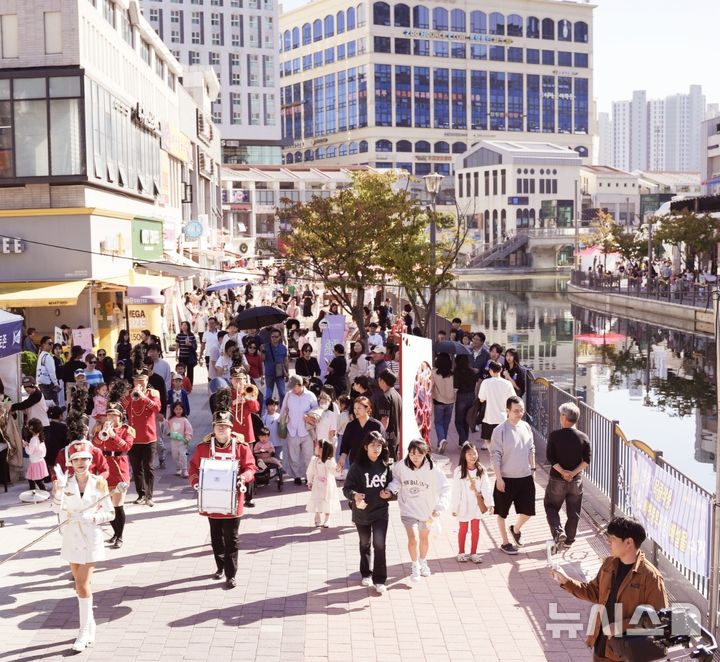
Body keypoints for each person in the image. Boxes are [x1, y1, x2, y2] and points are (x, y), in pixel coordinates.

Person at [551, 517, 669, 662]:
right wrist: (566, 581)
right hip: (602, 645)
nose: (608, 542)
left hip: (629, 652)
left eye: (612, 538)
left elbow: (660, 618)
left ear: (629, 542)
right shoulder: (609, 563)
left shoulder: (651, 577)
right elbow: (594, 592)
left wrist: (621, 626)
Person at [51, 439, 115, 652]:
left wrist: (93, 517)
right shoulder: (65, 482)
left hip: (91, 538)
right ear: (70, 462)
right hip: (71, 538)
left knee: (81, 585)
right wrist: (58, 491)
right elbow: (55, 510)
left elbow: (110, 512)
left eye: (85, 459)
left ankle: (82, 632)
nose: (81, 463)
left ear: (91, 460)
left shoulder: (99, 483)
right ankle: (91, 624)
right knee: (80, 586)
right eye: (76, 459)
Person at [188, 405, 257, 589]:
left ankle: (231, 574)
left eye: (225, 425)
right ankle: (220, 566)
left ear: (231, 428)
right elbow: (193, 467)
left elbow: (251, 467)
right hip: (212, 502)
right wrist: (196, 482)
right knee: (216, 537)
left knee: (232, 538)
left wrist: (243, 477)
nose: (221, 428)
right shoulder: (203, 447)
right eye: (218, 425)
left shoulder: (241, 448)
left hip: (233, 501)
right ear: (213, 427)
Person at [387, 439, 450, 582]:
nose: (415, 457)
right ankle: (414, 565)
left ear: (425, 454)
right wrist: (390, 489)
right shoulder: (401, 466)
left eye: (419, 454)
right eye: (412, 454)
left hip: (427, 511)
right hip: (408, 509)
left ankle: (423, 561)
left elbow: (445, 487)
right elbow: (396, 480)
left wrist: (439, 507)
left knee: (424, 539)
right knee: (413, 539)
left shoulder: (433, 469)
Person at [343, 432, 394, 594]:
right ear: (365, 447)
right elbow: (346, 488)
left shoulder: (386, 465)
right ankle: (366, 573)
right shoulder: (357, 467)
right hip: (362, 513)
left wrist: (390, 494)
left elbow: (394, 487)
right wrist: (354, 496)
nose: (376, 449)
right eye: (373, 445)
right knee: (364, 543)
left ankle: (380, 580)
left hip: (381, 511)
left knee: (379, 544)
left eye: (379, 446)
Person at [490, 396, 536, 555]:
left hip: (525, 476)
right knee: (502, 512)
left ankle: (515, 529)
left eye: (521, 410)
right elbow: (495, 455)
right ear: (507, 411)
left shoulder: (526, 427)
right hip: (506, 478)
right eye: (516, 411)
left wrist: (533, 469)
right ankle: (505, 542)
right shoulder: (499, 431)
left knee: (528, 511)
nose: (520, 413)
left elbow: (531, 449)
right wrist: (499, 478)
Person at [544, 402, 591, 547]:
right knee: (574, 511)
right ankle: (569, 540)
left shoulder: (554, 436)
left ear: (564, 417)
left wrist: (563, 472)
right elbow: (586, 461)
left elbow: (551, 458)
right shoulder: (584, 437)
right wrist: (572, 473)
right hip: (576, 481)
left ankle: (558, 531)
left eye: (561, 414)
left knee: (551, 506)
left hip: (557, 479)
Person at [92, 397, 135, 549]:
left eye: (114, 415)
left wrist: (113, 435)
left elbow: (127, 447)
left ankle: (120, 536)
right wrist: (100, 433)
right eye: (108, 415)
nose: (110, 418)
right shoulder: (102, 428)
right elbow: (95, 445)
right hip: (105, 468)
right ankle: (115, 534)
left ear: (120, 416)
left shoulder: (126, 430)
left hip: (119, 469)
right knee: (108, 505)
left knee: (118, 504)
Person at [122, 362, 162, 507]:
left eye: (142, 381)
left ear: (147, 381)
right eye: (137, 381)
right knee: (136, 468)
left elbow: (157, 408)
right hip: (133, 437)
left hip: (149, 437)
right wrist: (130, 396)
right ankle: (141, 494)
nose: (139, 384)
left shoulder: (153, 393)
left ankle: (149, 496)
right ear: (133, 381)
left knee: (148, 467)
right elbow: (120, 407)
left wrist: (143, 397)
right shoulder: (129, 394)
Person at [452, 442, 494, 563]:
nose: (472, 456)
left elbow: (486, 487)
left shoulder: (481, 469)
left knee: (476, 530)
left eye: (474, 453)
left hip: (476, 505)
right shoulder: (459, 471)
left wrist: (490, 504)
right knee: (463, 529)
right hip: (464, 505)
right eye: (469, 454)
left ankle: (474, 553)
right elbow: (456, 491)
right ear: (464, 455)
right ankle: (461, 552)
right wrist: (455, 508)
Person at [278, 375, 317, 485]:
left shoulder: (310, 395)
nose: (292, 389)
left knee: (308, 456)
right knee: (293, 456)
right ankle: (297, 476)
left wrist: (309, 415)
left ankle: (308, 477)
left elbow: (316, 410)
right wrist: (279, 422)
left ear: (299, 385)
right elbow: (283, 409)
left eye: (293, 387)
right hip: (292, 429)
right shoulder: (289, 395)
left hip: (306, 430)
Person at [337, 396, 383, 471]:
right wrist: (342, 459)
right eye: (355, 408)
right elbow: (345, 446)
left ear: (367, 409)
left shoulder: (377, 426)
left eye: (359, 408)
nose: (356, 411)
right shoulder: (351, 426)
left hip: (372, 464)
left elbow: (383, 446)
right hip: (355, 463)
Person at [478, 360, 516, 451]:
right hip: (503, 418)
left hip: (489, 417)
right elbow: (513, 399)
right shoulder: (507, 384)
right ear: (501, 370)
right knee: (502, 442)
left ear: (490, 371)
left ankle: (493, 457)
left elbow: (481, 399)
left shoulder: (486, 383)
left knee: (488, 440)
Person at [306, 439, 340, 527]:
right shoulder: (314, 460)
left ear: (322, 449)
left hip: (328, 485)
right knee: (317, 499)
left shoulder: (330, 461)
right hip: (317, 484)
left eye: (317, 446)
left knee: (327, 500)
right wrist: (310, 481)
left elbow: (335, 472)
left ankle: (327, 519)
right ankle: (317, 516)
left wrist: (338, 469)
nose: (315, 447)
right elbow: (310, 471)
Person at [374, 370, 402, 460]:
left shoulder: (385, 397)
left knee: (387, 464)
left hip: (387, 438)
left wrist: (378, 437)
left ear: (382, 381)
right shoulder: (397, 395)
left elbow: (384, 419)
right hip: (395, 436)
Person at [432, 353, 455, 455]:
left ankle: (441, 440)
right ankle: (441, 441)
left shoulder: (434, 373)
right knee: (445, 423)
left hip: (438, 400)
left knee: (438, 423)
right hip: (450, 401)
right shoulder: (452, 374)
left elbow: (430, 386)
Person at [453, 354, 476, 446]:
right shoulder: (473, 372)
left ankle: (464, 441)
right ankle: (462, 441)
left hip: (461, 396)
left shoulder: (457, 372)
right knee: (466, 420)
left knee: (458, 421)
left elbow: (456, 386)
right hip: (471, 396)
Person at [263, 327, 289, 405]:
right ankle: (267, 412)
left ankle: (282, 411)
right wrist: (262, 351)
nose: (274, 338)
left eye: (276, 337)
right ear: (270, 337)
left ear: (280, 337)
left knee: (282, 394)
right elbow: (262, 359)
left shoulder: (283, 348)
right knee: (268, 395)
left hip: (280, 374)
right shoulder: (265, 346)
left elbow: (285, 361)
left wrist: (287, 373)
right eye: (272, 336)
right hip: (269, 374)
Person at [167, 402, 192, 478]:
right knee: (175, 456)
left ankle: (185, 470)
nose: (178, 411)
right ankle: (179, 468)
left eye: (180, 409)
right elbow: (167, 429)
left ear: (183, 410)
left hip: (182, 441)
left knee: (183, 455)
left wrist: (187, 438)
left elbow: (189, 430)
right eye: (176, 409)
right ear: (173, 410)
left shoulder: (185, 420)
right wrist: (169, 434)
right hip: (173, 441)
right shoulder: (171, 420)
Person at [24, 418, 49, 491]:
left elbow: (29, 452)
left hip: (35, 463)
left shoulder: (33, 439)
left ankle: (43, 493)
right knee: (31, 478)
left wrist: (25, 446)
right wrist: (28, 445)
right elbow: (36, 449)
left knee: (36, 480)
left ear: (31, 429)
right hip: (39, 461)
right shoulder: (40, 437)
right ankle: (33, 493)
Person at [36, 336, 60, 405]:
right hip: (49, 384)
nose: (52, 345)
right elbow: (52, 372)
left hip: (41, 383)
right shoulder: (48, 356)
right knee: (54, 405)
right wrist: (56, 383)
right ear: (43, 344)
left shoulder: (41, 355)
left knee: (47, 405)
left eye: (52, 343)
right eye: (49, 343)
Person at [175, 320, 199, 385]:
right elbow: (177, 345)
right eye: (182, 325)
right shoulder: (179, 335)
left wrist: (190, 344)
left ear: (188, 326)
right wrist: (176, 354)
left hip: (190, 357)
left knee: (190, 372)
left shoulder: (191, 335)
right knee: (181, 371)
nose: (183, 327)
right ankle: (181, 384)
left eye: (185, 325)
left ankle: (189, 385)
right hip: (182, 356)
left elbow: (195, 345)